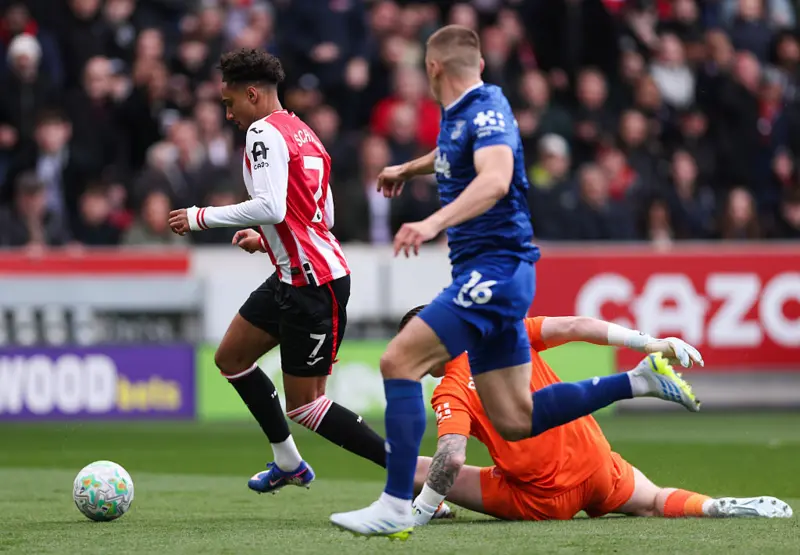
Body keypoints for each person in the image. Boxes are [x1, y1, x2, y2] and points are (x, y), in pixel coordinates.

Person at [330, 26, 699, 539]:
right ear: (477, 65)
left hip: (494, 269)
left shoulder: (486, 109)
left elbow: (495, 178)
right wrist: (408, 170)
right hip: (497, 272)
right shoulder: (462, 114)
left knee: (398, 361)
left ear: (433, 69)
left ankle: (395, 504)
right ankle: (638, 381)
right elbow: (451, 156)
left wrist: (433, 222)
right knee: (514, 419)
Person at [167, 49, 387, 493]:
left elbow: (271, 206)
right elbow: (321, 215)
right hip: (295, 273)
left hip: (313, 283)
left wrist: (199, 217)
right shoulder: (304, 132)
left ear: (251, 94)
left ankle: (410, 475)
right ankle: (288, 463)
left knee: (306, 406)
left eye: (229, 103)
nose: (228, 114)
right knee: (231, 358)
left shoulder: (262, 132)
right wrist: (269, 241)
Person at [409, 311, 792, 523]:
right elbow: (577, 326)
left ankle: (427, 507)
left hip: (542, 497)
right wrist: (650, 342)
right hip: (595, 463)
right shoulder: (506, 334)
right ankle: (710, 506)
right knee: (654, 500)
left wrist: (421, 513)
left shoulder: (450, 389)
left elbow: (451, 458)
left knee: (411, 467)